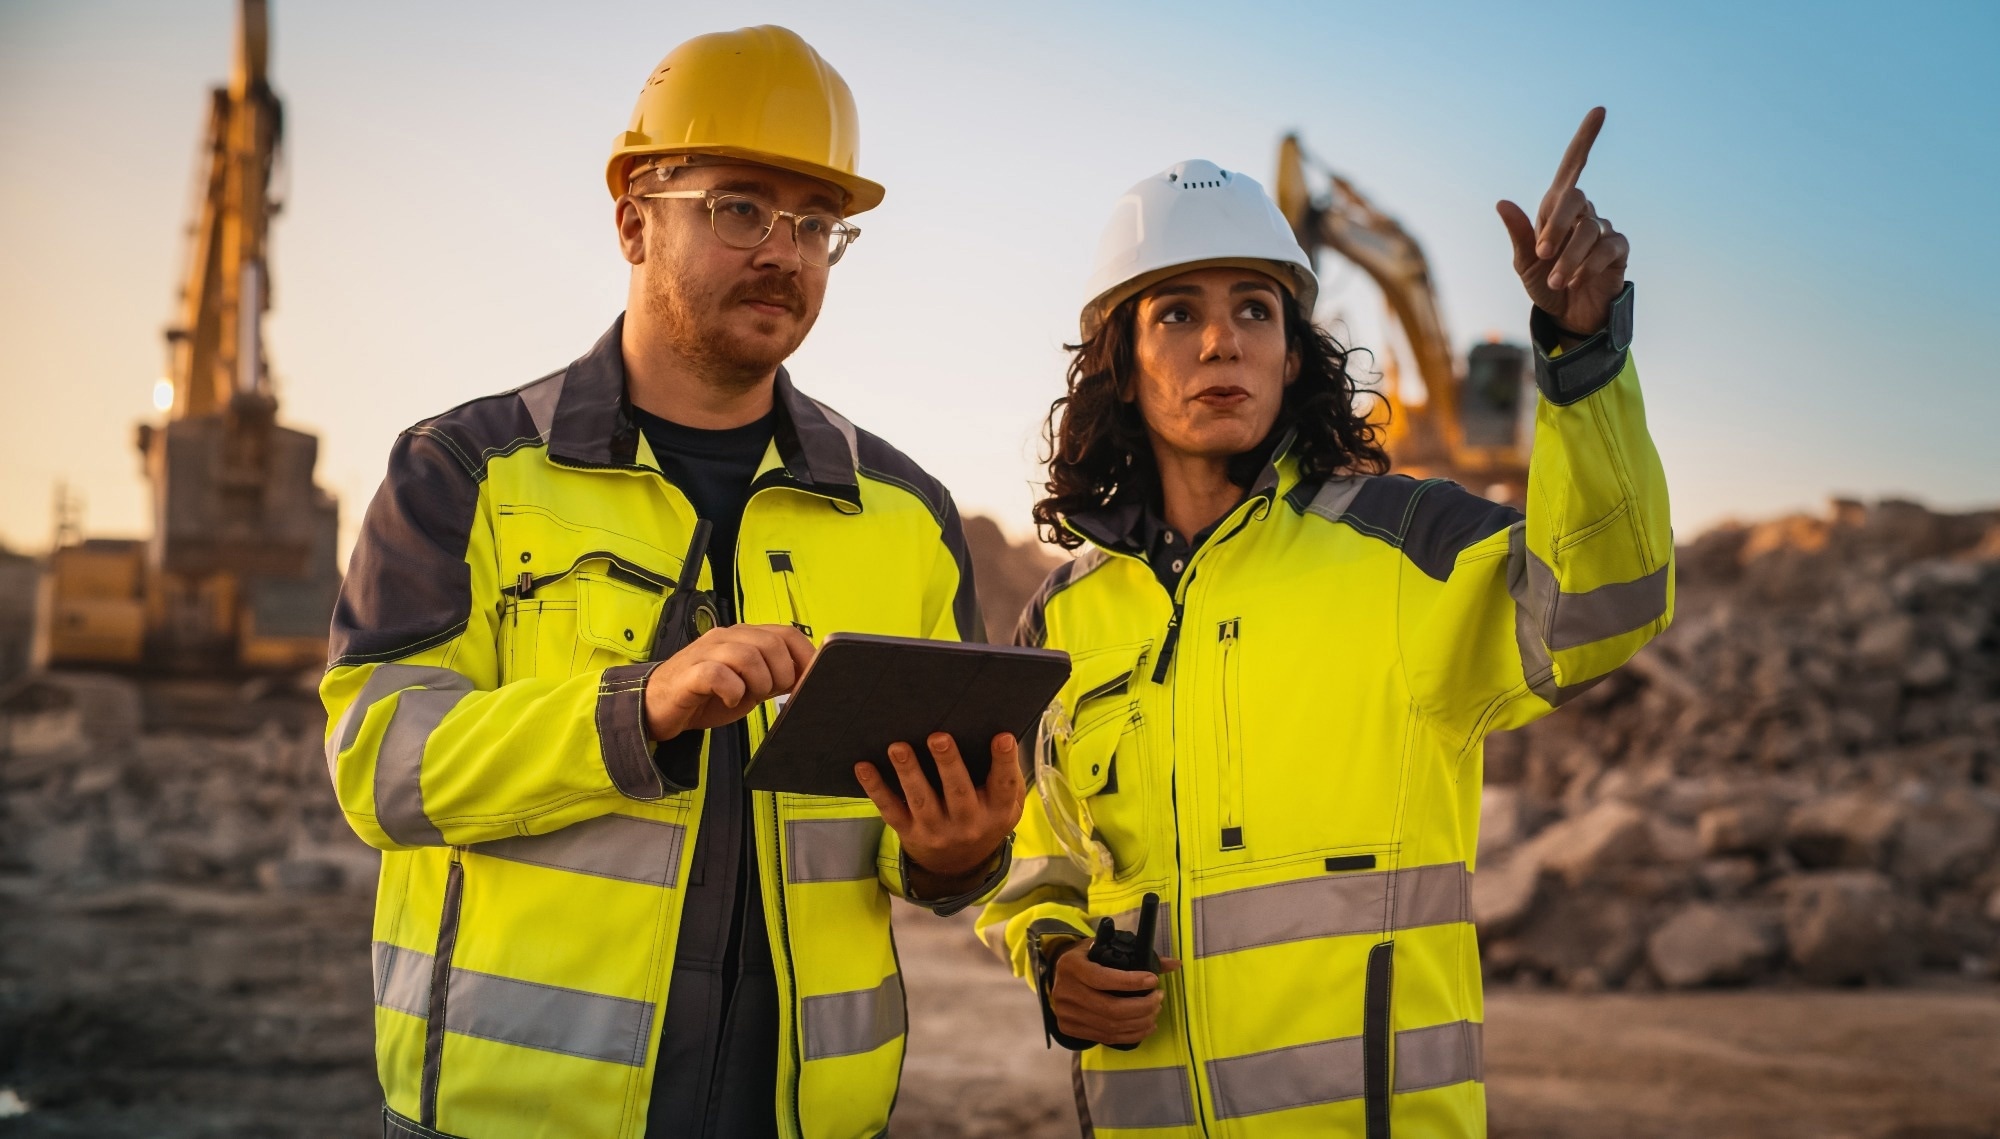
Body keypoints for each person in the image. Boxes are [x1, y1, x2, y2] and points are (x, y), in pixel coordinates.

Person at [322, 26, 1022, 1139]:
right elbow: (381, 765)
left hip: (806, 1116)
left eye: (815, 225)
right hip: (518, 1113)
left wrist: (956, 851)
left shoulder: (906, 514)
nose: (784, 253)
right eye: (739, 205)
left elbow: (914, 843)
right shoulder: (465, 470)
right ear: (631, 221)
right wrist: (635, 707)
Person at [976, 109, 1670, 1137]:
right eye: (1174, 312)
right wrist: (1052, 957)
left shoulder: (1408, 546)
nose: (1221, 339)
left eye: (1254, 310)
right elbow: (1037, 858)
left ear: (1293, 355)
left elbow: (1604, 599)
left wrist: (1579, 359)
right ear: (1118, 359)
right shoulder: (1064, 617)